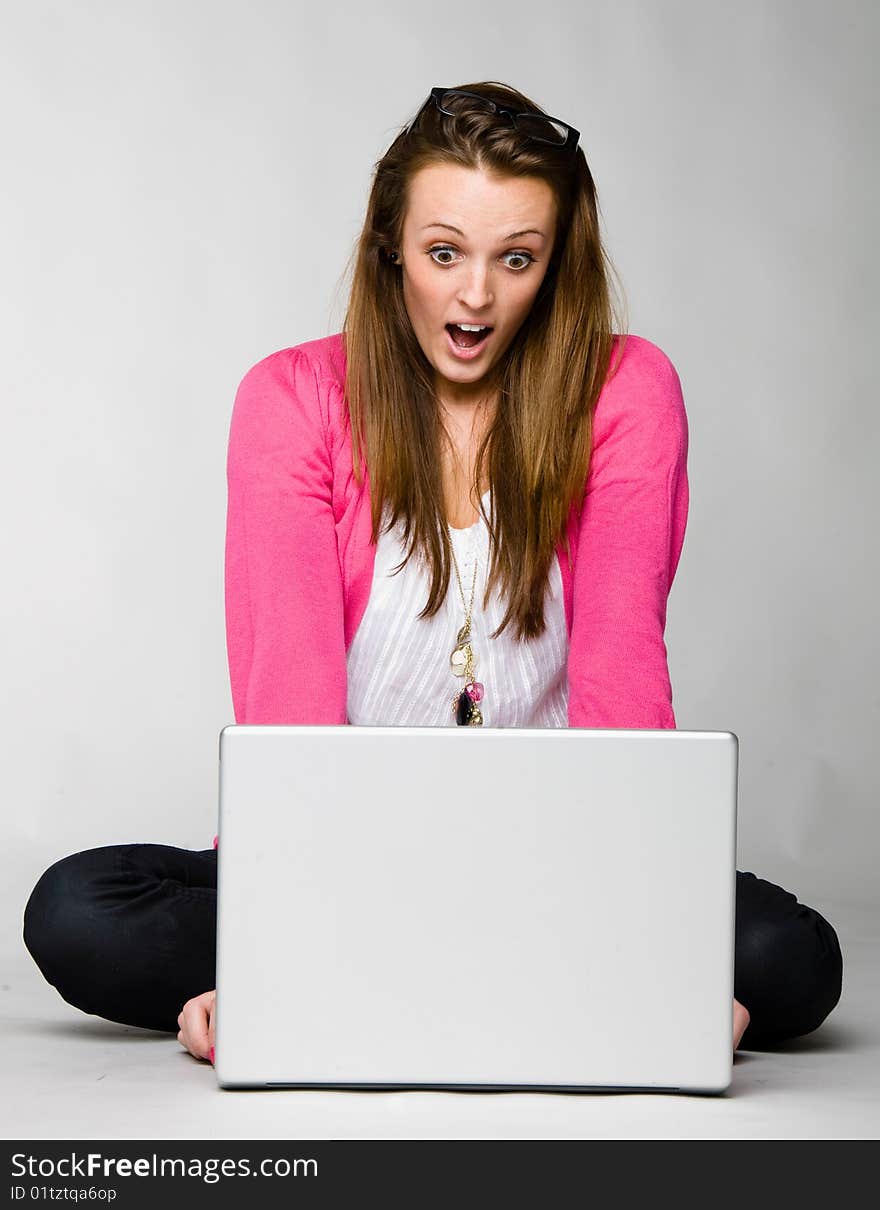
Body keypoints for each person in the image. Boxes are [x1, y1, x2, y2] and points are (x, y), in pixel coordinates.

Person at [22, 81, 842, 1069]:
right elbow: (286, 698)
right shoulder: (292, 399)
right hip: (346, 861)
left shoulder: (627, 391)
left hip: (560, 862)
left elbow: (624, 663)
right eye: (444, 252)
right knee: (74, 907)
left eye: (517, 259)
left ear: (555, 265)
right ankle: (506, 981)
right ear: (391, 248)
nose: (475, 297)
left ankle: (430, 978)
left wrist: (649, 935)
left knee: (789, 958)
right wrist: (282, 953)